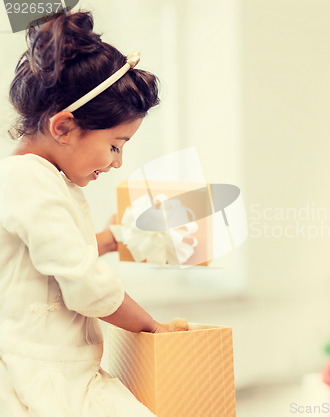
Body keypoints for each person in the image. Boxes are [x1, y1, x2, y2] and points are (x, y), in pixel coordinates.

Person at [0, 9, 170, 417]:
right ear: (63, 127)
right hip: (42, 376)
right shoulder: (26, 179)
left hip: (65, 368)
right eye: (115, 144)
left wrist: (108, 240)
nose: (117, 162)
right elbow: (84, 284)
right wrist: (155, 329)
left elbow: (48, 264)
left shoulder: (41, 179)